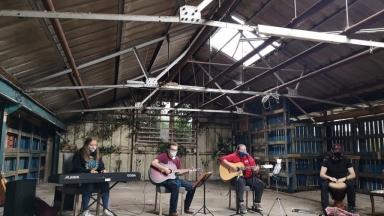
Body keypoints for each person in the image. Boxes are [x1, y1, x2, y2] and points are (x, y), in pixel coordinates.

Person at [151, 142, 195, 216]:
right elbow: (153, 163)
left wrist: (187, 171)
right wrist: (164, 168)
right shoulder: (163, 156)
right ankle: (172, 212)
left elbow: (178, 173)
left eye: (175, 150)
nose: (174, 151)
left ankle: (186, 207)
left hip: (174, 179)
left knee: (192, 187)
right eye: (172, 149)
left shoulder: (177, 159)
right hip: (163, 179)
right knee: (176, 185)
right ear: (169, 149)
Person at [72, 137, 113, 216]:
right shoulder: (79, 153)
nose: (94, 147)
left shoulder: (97, 154)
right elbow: (76, 168)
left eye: (95, 145)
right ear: (86, 145)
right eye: (91, 145)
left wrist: (103, 170)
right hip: (81, 180)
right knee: (89, 184)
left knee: (105, 184)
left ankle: (105, 209)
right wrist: (88, 171)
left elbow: (101, 166)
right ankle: (85, 211)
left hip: (94, 179)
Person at [220, 144, 264, 214]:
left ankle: (256, 203)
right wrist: (231, 166)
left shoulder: (249, 157)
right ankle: (241, 204)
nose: (244, 151)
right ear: (238, 150)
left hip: (248, 177)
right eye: (242, 150)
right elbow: (222, 159)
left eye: (245, 150)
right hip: (236, 178)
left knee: (260, 184)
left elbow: (254, 169)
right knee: (240, 182)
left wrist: (256, 169)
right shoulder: (234, 156)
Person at [320, 143, 356, 213]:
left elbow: (353, 174)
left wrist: (344, 178)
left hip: (343, 179)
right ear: (332, 151)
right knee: (324, 185)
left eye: (339, 151)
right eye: (335, 151)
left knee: (351, 185)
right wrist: (330, 178)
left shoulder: (346, 160)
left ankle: (352, 207)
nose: (337, 153)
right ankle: (325, 208)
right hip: (331, 179)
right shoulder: (327, 160)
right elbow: (321, 174)